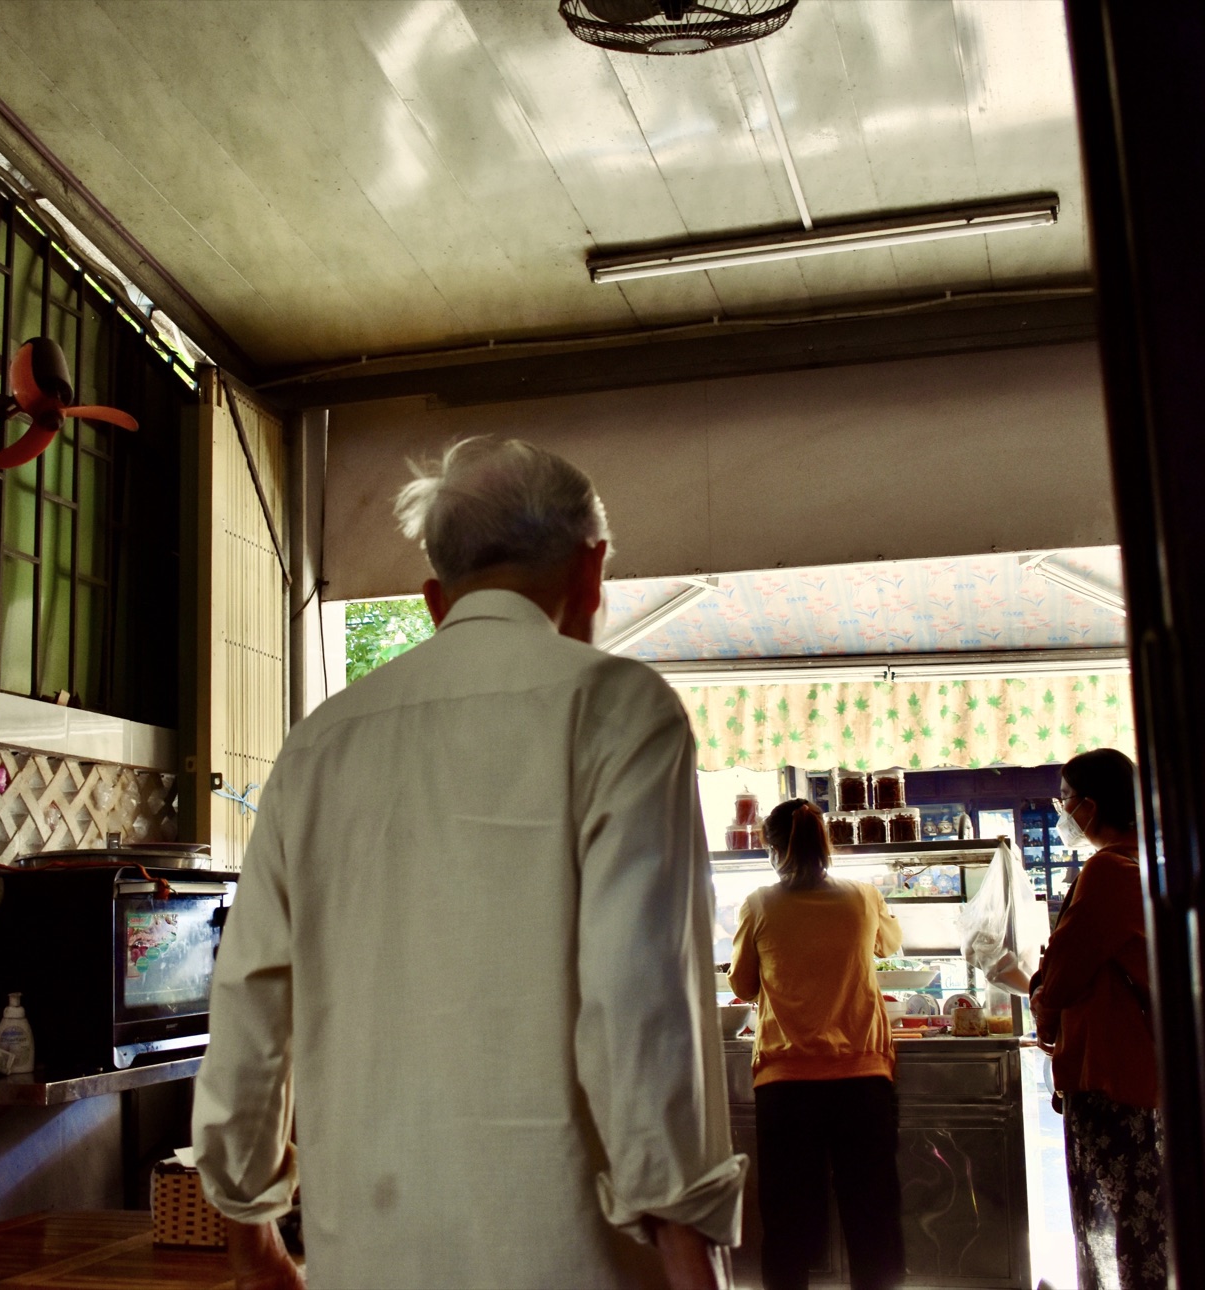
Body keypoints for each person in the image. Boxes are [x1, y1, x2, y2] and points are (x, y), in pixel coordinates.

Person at [192, 437, 745, 1290]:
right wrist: (688, 1249)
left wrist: (250, 1235)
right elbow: (641, 1000)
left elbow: (251, 1000)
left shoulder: (319, 747)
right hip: (575, 1262)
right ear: (591, 569)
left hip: (364, 1256)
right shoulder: (621, 709)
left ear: (431, 598)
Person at [730, 800, 906, 1290]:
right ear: (825, 843)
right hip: (863, 1078)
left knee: (788, 1224)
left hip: (787, 1086)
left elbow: (743, 986)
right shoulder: (864, 896)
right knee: (872, 1219)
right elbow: (889, 945)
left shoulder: (760, 903)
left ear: (771, 848)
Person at [1029, 748, 1168, 1290]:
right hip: (1145, 1070)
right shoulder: (1151, 861)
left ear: (1088, 806)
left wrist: (1041, 998)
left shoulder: (1108, 869)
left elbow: (1063, 972)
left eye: (1064, 801)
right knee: (1146, 1218)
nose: (1063, 813)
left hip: (1110, 1073)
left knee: (1117, 1221)